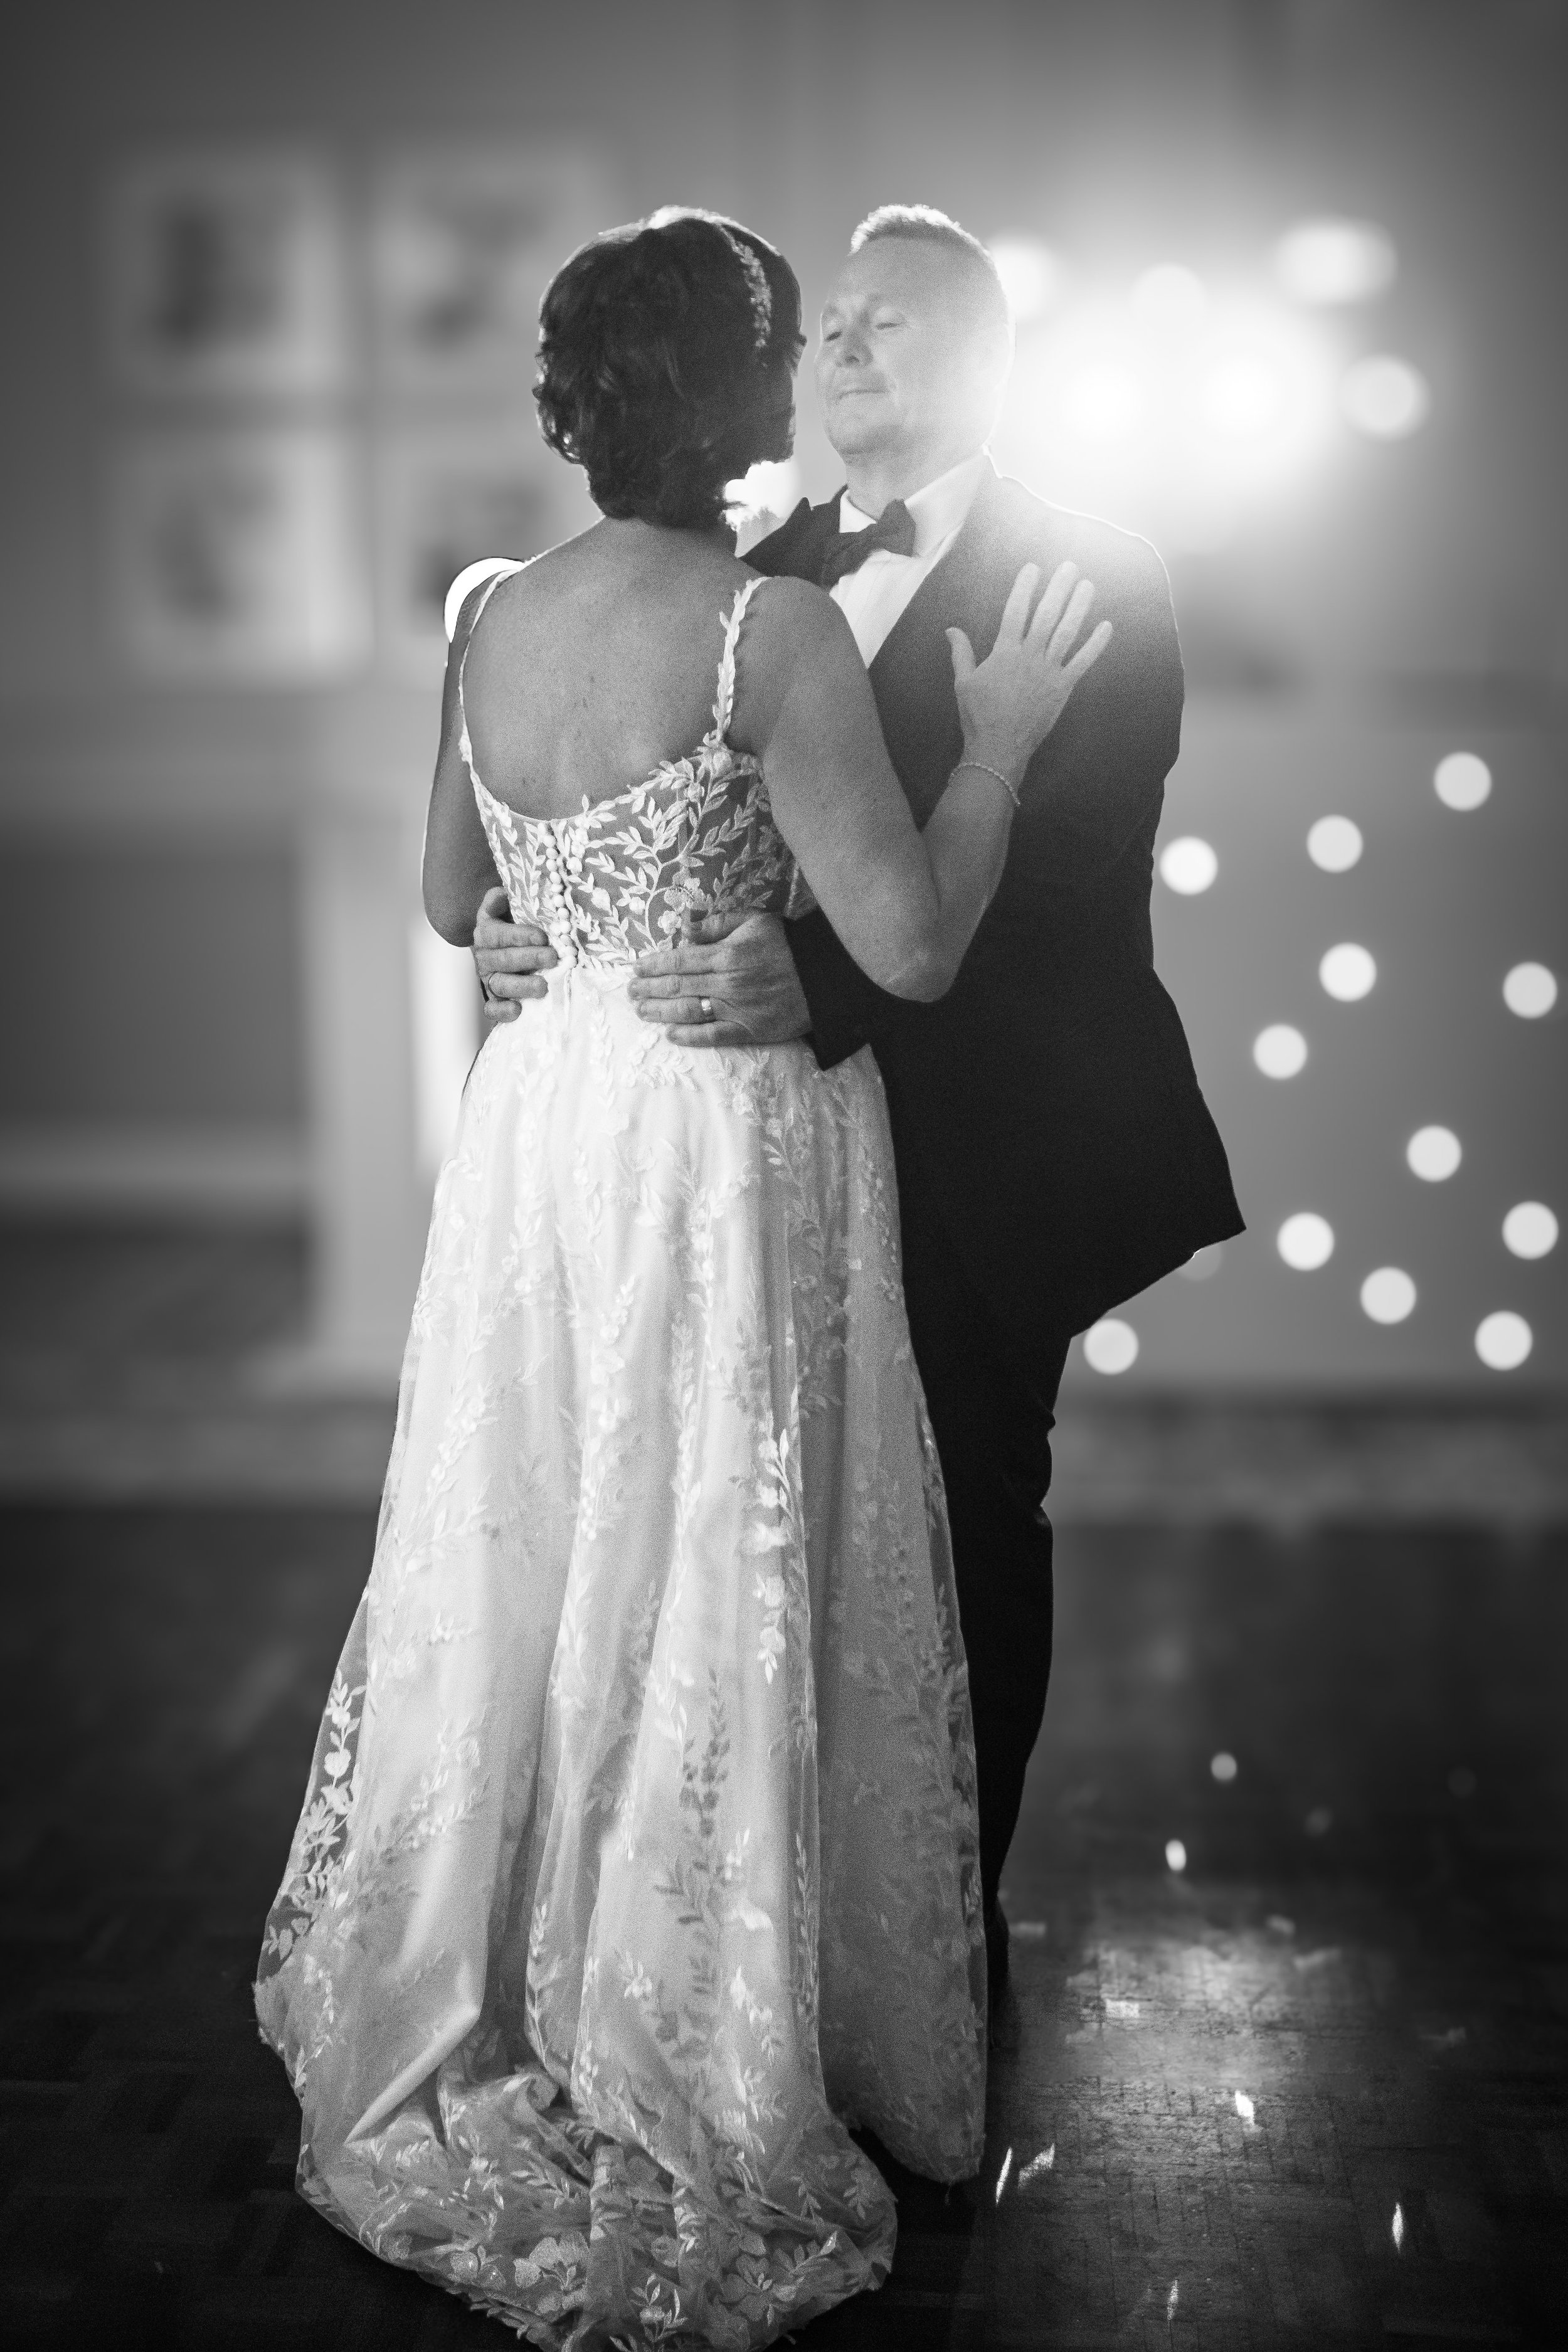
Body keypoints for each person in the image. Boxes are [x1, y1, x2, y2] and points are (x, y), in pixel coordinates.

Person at [256, 208, 1111, 2349]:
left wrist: (543, 935)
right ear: (737, 403)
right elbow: (906, 949)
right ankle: (693, 2005)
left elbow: (459, 903)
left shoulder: (482, 616)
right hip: (721, 1140)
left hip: (547, 1132)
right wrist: (995, 750)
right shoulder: (765, 638)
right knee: (704, 1541)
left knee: (541, 1527)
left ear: (570, 397)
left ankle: (500, 1973)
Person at [475, 206, 1246, 2010]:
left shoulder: (1099, 572)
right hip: (754, 1162)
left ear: (984, 358)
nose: (844, 351)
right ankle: (769, 1934)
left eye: (893, 322)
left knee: (965, 1520)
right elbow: (650, 804)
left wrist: (805, 983)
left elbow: (1060, 876)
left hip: (988, 1139)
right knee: (767, 1531)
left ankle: (940, 1940)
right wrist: (545, 933)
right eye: (827, 329)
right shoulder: (750, 569)